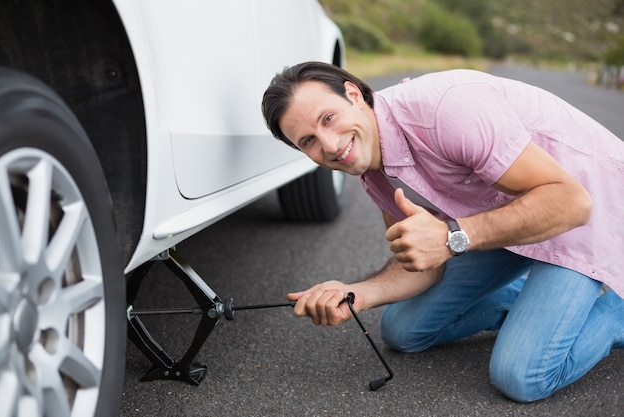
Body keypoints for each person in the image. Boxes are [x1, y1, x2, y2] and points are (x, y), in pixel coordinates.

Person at [261, 61, 624, 402]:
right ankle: (532, 304)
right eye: (307, 141)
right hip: (510, 223)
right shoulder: (371, 170)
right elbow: (424, 262)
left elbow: (572, 202)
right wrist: (355, 293)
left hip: (586, 215)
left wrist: (453, 237)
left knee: (522, 376)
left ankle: (615, 311)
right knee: (402, 331)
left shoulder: (446, 109)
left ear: (353, 95)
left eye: (328, 118)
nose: (329, 144)